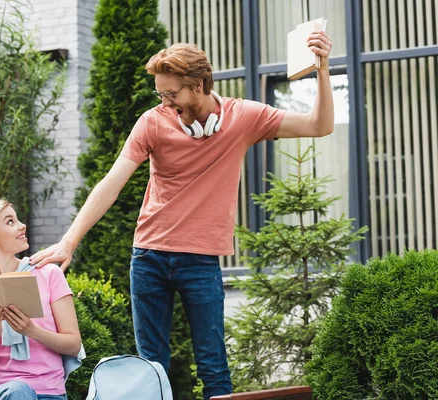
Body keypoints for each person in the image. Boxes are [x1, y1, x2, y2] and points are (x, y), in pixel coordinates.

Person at [30, 31, 334, 399]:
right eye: (161, 94)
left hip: (200, 261)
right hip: (148, 257)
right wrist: (69, 241)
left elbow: (320, 125)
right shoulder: (152, 122)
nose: (166, 102)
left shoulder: (244, 118)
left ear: (202, 85)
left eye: (172, 94)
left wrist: (321, 69)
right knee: (150, 366)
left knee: (213, 364)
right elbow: (112, 182)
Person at [0, 199, 82, 400]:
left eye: (18, 219)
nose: (22, 225)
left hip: (49, 395)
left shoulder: (49, 275)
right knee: (17, 391)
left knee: (20, 392)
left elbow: (74, 344)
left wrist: (31, 331)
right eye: (10, 222)